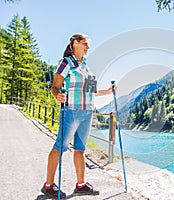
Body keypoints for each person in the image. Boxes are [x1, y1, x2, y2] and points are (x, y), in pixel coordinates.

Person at [41, 33, 114, 198]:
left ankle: (80, 185)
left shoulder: (87, 67)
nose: (88, 47)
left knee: (80, 149)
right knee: (60, 147)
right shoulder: (66, 63)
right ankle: (48, 185)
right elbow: (55, 86)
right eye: (85, 44)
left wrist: (109, 91)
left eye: (88, 45)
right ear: (75, 43)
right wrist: (56, 95)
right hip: (71, 111)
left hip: (87, 112)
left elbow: (92, 92)